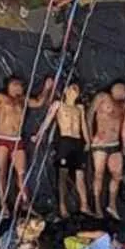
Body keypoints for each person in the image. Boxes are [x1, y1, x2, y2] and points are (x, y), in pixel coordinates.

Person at [0, 70, 44, 211]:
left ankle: (25, 202)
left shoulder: (23, 100)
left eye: (19, 85)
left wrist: (47, 88)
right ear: (8, 86)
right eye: (14, 84)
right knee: (2, 171)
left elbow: (39, 102)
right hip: (2, 138)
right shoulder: (0, 97)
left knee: (21, 173)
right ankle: (3, 204)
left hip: (17, 139)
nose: (17, 87)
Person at [36, 81, 91, 216]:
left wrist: (88, 141)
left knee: (80, 175)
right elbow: (48, 120)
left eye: (77, 89)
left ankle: (84, 205)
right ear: (66, 90)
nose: (75, 90)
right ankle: (62, 206)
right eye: (72, 88)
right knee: (63, 175)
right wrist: (39, 134)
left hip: (78, 141)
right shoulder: (59, 105)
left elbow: (83, 125)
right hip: (65, 141)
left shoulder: (80, 108)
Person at [88, 81, 125, 218]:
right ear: (115, 89)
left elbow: (124, 127)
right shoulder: (103, 97)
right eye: (123, 89)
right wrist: (89, 137)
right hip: (100, 142)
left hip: (115, 143)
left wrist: (124, 145)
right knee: (98, 174)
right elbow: (90, 114)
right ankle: (97, 206)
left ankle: (112, 205)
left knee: (117, 175)